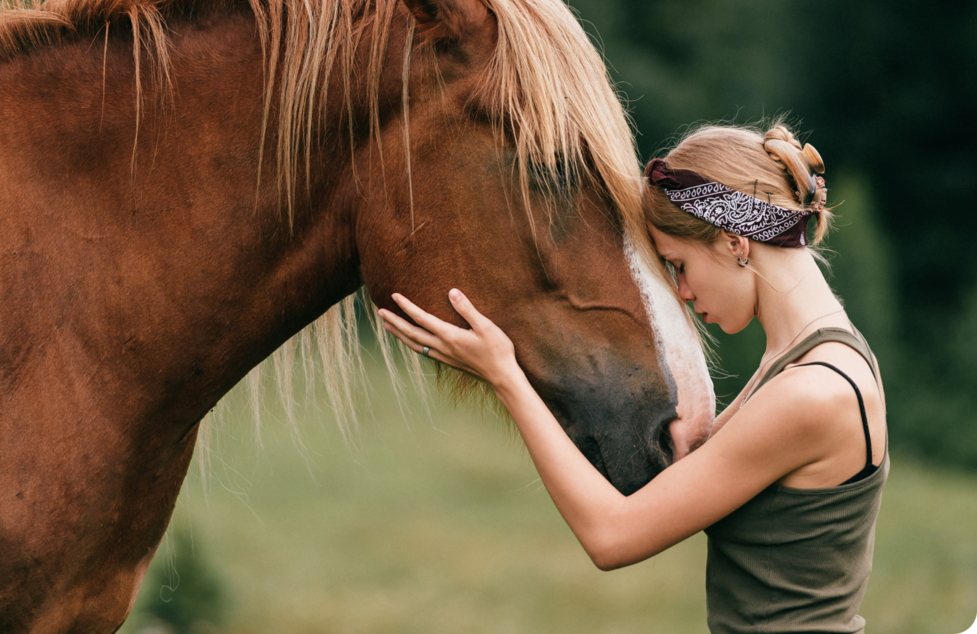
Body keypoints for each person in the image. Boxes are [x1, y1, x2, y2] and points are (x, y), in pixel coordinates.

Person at [377, 123, 888, 634]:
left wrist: (506, 375)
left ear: (735, 241)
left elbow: (612, 536)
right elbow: (686, 476)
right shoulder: (820, 357)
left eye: (678, 265)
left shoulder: (810, 393)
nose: (683, 292)